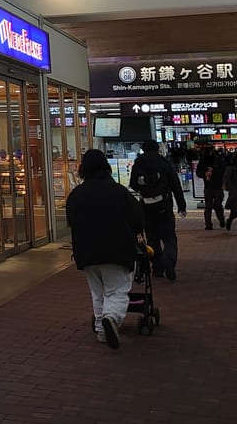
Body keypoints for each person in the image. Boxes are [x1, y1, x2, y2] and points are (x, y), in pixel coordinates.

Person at [65, 148, 144, 350]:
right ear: (106, 168)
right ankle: (111, 318)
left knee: (97, 292)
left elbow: (71, 222)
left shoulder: (76, 195)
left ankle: (102, 330)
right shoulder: (119, 191)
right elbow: (137, 219)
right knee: (117, 290)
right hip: (117, 250)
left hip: (87, 254)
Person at [129, 140, 186, 280]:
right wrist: (181, 205)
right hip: (164, 205)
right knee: (169, 237)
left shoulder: (138, 163)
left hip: (146, 207)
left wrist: (144, 188)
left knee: (152, 238)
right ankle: (169, 258)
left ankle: (158, 267)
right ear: (157, 149)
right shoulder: (163, 162)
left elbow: (133, 184)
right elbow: (175, 184)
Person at [198, 145, 227, 230]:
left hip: (218, 185)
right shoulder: (203, 161)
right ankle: (208, 224)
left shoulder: (218, 160)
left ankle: (221, 219)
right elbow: (198, 172)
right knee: (208, 206)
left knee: (217, 205)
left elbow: (223, 170)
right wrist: (204, 174)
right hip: (208, 186)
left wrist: (214, 172)